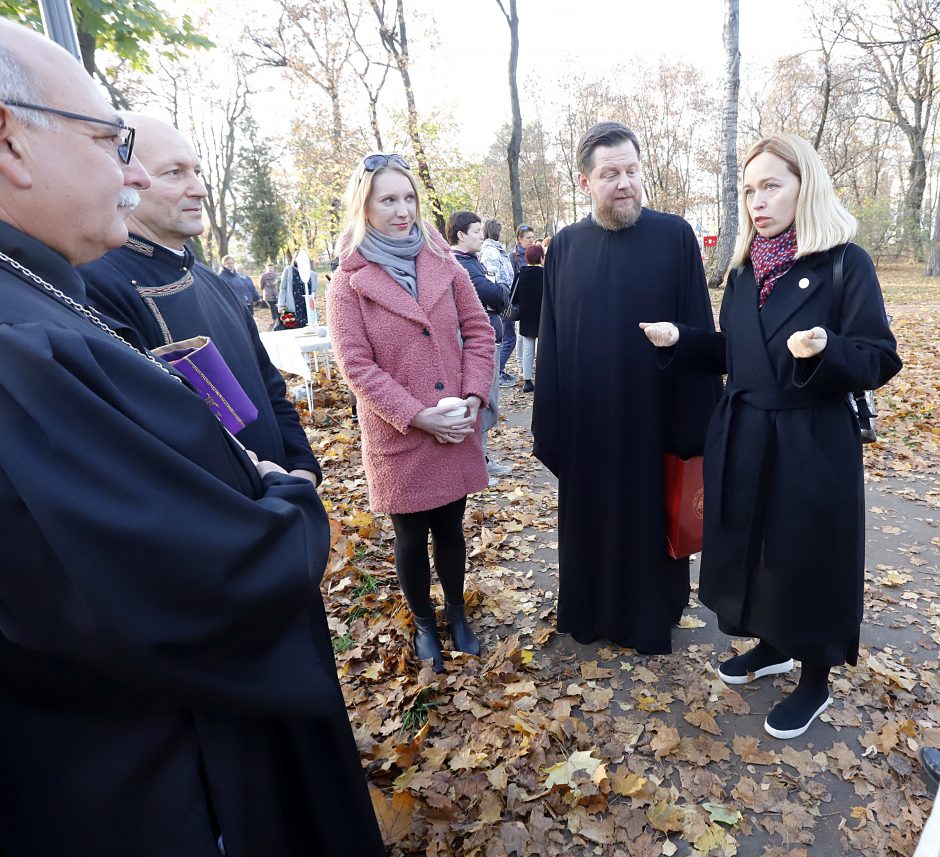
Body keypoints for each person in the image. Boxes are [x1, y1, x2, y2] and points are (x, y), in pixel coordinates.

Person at [0, 22, 384, 855]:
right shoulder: (20, 347)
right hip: (149, 780)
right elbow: (202, 578)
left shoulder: (40, 298)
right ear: (11, 143)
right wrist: (291, 502)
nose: (128, 173)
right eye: (110, 140)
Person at [641, 133, 901, 738]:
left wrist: (825, 350)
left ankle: (815, 678)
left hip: (811, 439)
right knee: (754, 548)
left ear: (803, 186)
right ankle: (771, 645)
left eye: (772, 186)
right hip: (747, 427)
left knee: (804, 555)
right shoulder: (741, 270)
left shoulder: (844, 262)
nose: (758, 201)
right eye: (750, 189)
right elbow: (738, 352)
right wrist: (683, 341)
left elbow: (878, 358)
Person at [532, 121, 721, 654]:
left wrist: (692, 427)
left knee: (650, 521)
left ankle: (651, 615)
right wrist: (553, 422)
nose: (624, 183)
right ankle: (587, 612)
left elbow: (697, 330)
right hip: (588, 422)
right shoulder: (565, 247)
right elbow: (553, 340)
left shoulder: (675, 235)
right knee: (589, 518)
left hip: (652, 418)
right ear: (584, 180)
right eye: (610, 173)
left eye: (632, 171)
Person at [80, 115, 321, 485]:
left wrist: (302, 469)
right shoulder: (95, 288)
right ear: (126, 177)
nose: (199, 189)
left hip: (285, 498)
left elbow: (269, 386)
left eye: (196, 171)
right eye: (174, 173)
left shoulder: (212, 280)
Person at [327, 153, 495, 672]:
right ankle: (424, 622)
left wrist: (472, 397)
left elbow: (480, 334)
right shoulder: (348, 282)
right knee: (410, 536)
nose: (403, 211)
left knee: (451, 528)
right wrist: (417, 415)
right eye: (389, 200)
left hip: (456, 425)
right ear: (366, 207)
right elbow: (355, 366)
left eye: (409, 198)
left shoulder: (444, 264)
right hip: (400, 433)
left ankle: (457, 614)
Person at [448, 210, 512, 482]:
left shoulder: (469, 261)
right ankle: (478, 464)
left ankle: (482, 458)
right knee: (481, 403)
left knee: (487, 402)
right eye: (476, 232)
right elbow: (490, 292)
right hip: (477, 346)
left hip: (488, 340)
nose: (481, 237)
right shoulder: (459, 264)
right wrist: (500, 293)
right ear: (461, 235)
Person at [499, 223, 535, 386]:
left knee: (523, 335)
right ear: (519, 239)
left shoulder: (533, 254)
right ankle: (520, 366)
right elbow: (511, 280)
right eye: (528, 238)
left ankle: (522, 367)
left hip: (530, 303)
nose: (531, 241)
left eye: (532, 238)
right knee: (518, 336)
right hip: (518, 302)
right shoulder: (513, 257)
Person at [510, 242, 545, 393]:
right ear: (542, 258)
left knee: (528, 348)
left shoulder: (520, 274)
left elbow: (513, 297)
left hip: (526, 316)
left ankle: (528, 381)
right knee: (543, 349)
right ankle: (544, 378)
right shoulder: (547, 275)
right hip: (543, 316)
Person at [277, 258, 313, 328]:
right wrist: (281, 304)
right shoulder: (289, 270)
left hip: (306, 305)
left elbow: (312, 290)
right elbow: (283, 288)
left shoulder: (310, 273)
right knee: (294, 326)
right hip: (293, 303)